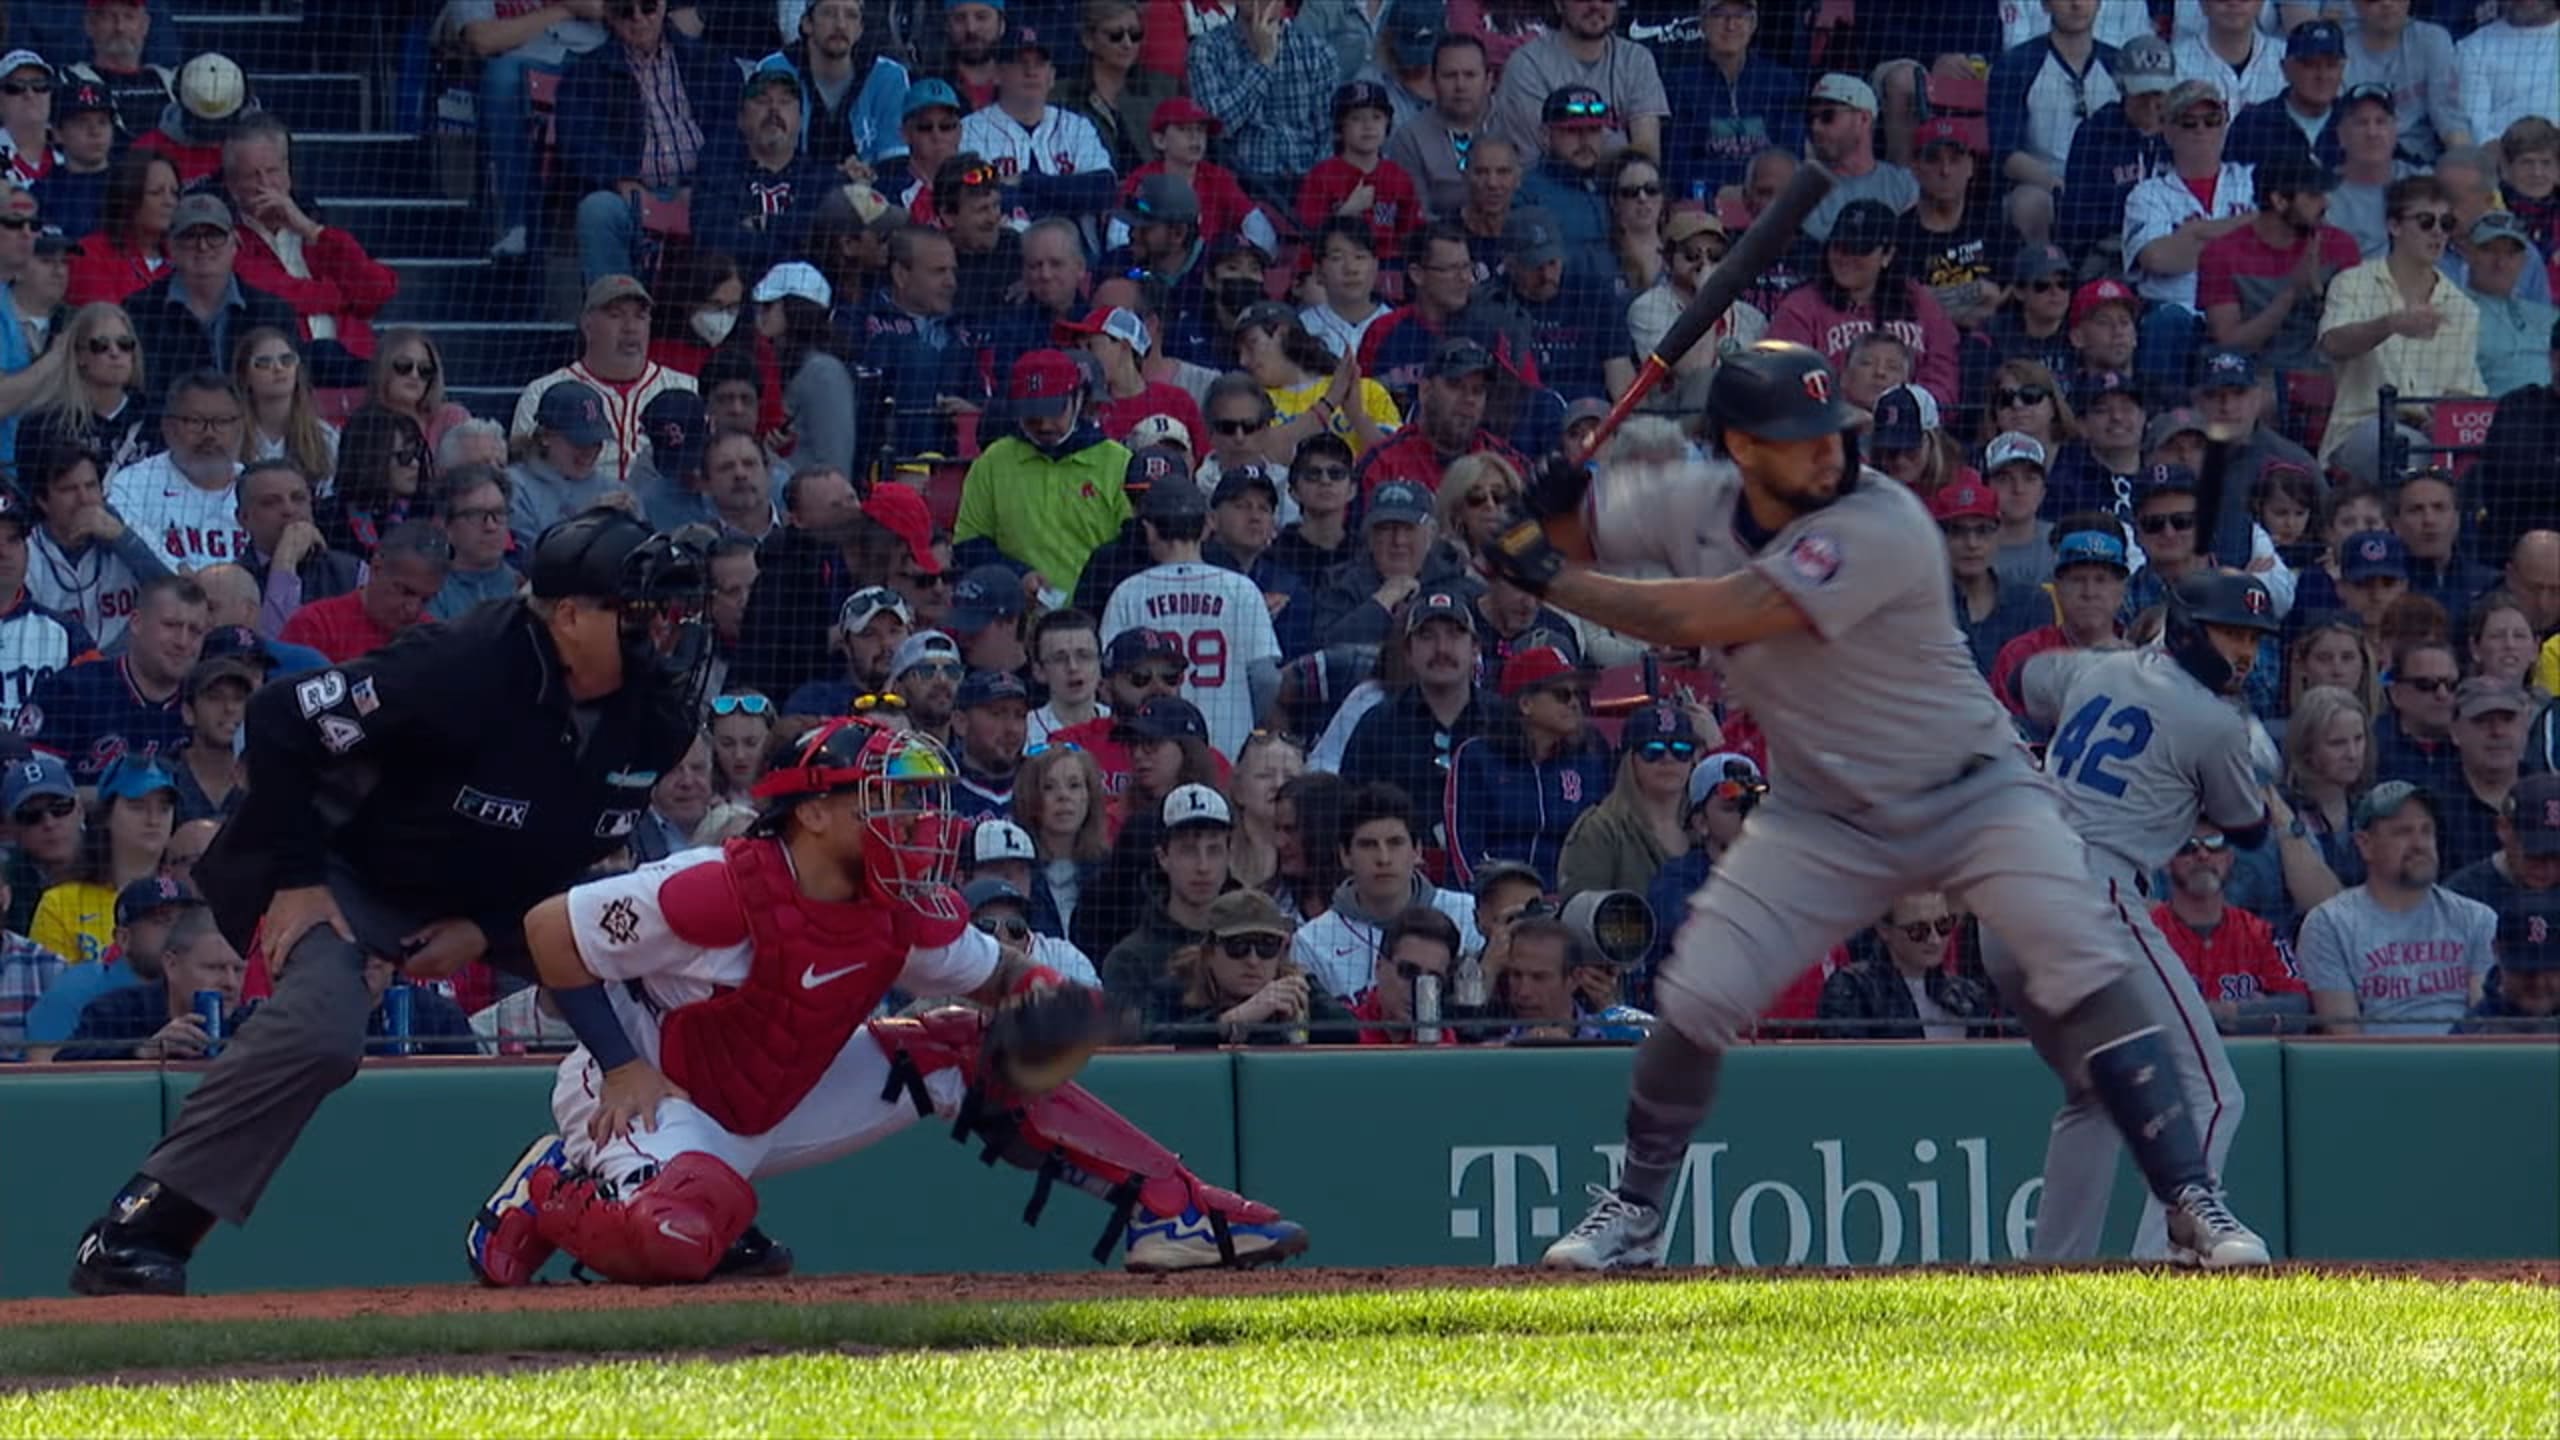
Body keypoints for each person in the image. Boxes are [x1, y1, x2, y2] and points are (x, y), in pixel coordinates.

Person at [1486, 339, 2268, 1272]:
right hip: (1821, 812)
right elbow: (1569, 531)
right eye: (1801, 436)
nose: (1830, 449)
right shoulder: (1688, 500)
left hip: (1972, 789)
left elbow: (1708, 615)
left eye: (1833, 429)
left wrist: (1550, 574)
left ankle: (2190, 1199)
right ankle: (1637, 1213)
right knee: (1698, 994)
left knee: (2081, 954)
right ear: (1740, 447)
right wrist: (1542, 515)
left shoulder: (1882, 519)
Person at [63, 512, 711, 1296]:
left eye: (672, 612)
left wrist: (484, 933)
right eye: (641, 613)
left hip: (498, 893)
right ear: (569, 616)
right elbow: (278, 718)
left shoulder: (658, 716)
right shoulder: (460, 664)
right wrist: (299, 879)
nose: (663, 632)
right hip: (348, 868)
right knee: (322, 1032)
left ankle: (684, 1194)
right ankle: (141, 1228)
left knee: (670, 972)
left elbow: (569, 859)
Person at [461, 719, 1303, 1288]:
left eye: (916, 799)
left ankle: (1173, 1210)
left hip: (779, 1095)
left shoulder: (902, 906)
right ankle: (548, 1188)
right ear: (814, 811)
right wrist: (620, 1067)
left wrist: (1054, 1000)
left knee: (969, 1048)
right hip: (654, 1091)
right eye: (886, 798)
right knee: (675, 1240)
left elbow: (996, 978)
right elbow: (548, 930)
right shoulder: (715, 889)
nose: (914, 819)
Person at [1991, 571, 2292, 1261]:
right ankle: (2166, 1261)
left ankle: (2055, 1275)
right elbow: (2248, 832)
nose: (2244, 652)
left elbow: (2019, 679)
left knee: (2096, 1096)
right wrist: (2238, 765)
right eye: (2230, 633)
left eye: (2253, 638)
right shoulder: (2216, 723)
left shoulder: (2098, 668)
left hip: (2008, 902)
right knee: (2212, 1093)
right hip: (2092, 896)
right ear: (2186, 628)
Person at [1099, 473, 1281, 761]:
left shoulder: (1129, 592)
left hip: (1151, 750)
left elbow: (1108, 681)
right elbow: (1266, 679)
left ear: (1149, 530)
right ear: (1207, 526)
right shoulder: (1242, 589)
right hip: (1229, 748)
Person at [2316, 175, 2486, 479]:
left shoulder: (2463, 308)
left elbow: (2469, 394)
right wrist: (2389, 324)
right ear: (2394, 226)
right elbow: (2333, 344)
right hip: (2363, 427)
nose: (2437, 232)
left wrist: (2446, 415)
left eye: (2446, 223)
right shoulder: (2353, 283)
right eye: (2425, 221)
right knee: (2408, 451)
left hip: (2435, 436)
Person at [2297, 780, 2497, 1036]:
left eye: (2426, 831)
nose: (2419, 843)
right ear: (2365, 844)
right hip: (2376, 1060)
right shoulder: (2329, 924)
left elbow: (2483, 1027)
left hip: (2463, 1056)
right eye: (2403, 832)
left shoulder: (2476, 918)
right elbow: (2345, 1040)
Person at [218, 115, 396, 389]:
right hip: (285, 377)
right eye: (253, 175)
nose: (265, 184)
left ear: (288, 172)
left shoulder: (320, 231)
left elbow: (376, 291)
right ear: (232, 186)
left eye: (273, 171)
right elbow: (278, 298)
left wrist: (311, 230)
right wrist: (344, 295)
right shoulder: (227, 242)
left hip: (358, 370)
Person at [953, 349, 1132, 599]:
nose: (1045, 425)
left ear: (1078, 398)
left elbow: (1132, 549)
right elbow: (968, 545)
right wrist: (1018, 575)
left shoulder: (1118, 463)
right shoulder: (993, 462)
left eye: (1054, 411)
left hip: (1096, 612)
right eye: (1033, 415)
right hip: (1015, 613)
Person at [1288, 781, 1478, 1000]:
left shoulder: (1466, 914)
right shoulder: (1312, 941)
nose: (1383, 858)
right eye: (1368, 845)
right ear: (1345, 856)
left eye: (1395, 843)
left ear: (1417, 851)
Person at [1444, 644, 1611, 889]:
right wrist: (1487, 897)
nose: (1575, 704)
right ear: (1525, 704)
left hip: (1566, 899)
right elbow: (1464, 845)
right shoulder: (1477, 757)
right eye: (1562, 695)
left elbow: (1599, 846)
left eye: (1578, 694)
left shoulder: (1588, 762)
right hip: (1491, 897)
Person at [1339, 581, 1496, 840]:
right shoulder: (1377, 725)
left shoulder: (1504, 723)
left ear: (1475, 649)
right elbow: (1351, 814)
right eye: (1427, 636)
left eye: (1454, 634)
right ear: (1408, 652)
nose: (1442, 648)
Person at [1767, 199, 1959, 409]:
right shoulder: (1801, 307)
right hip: (1830, 423)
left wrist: (1909, 408)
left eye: (1860, 250)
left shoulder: (1920, 302)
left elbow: (1944, 380)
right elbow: (1786, 380)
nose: (1847, 258)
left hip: (1910, 423)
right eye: (1840, 247)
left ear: (1887, 255)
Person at [511, 275, 698, 487]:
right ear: (587, 326)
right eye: (615, 315)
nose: (630, 327)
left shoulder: (686, 388)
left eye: (640, 316)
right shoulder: (541, 393)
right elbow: (522, 477)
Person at [21, 572, 205, 784]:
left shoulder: (207, 701)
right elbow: (34, 788)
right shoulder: (70, 691)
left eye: (195, 631)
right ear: (136, 623)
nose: (183, 642)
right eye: (171, 625)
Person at [2154, 822, 2312, 1035]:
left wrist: (2230, 1013)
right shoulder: (2146, 933)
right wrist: (2251, 1015)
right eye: (2187, 846)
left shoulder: (2260, 933)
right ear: (2166, 862)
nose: (2202, 855)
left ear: (2229, 858)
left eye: (2215, 844)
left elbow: (2297, 1009)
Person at [1186, 0, 1334, 200]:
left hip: (1304, 187)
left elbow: (1327, 137)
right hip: (1237, 189)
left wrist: (1317, 194)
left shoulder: (1317, 53)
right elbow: (1217, 127)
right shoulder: (1207, 50)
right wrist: (1264, 62)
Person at [1557, 701, 1696, 898]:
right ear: (1629, 760)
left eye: (1681, 749)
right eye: (1653, 750)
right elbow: (1582, 911)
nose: (1668, 759)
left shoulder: (1706, 826)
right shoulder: (1600, 830)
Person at [1815, 893, 1995, 1039]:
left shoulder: (1970, 997)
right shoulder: (1853, 989)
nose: (1935, 940)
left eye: (1943, 925)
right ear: (1884, 930)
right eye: (1918, 930)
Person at [279, 521, 453, 665]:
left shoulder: (430, 638)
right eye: (405, 592)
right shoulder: (315, 626)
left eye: (425, 599)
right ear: (376, 568)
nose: (413, 609)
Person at [1933, 478, 2050, 677]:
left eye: (1983, 531)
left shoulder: (2032, 602)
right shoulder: (1925, 606)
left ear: (1998, 535)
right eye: (1957, 531)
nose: (1972, 544)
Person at [168, 654, 253, 823]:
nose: (230, 708)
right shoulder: (163, 776)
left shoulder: (264, 779)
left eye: (239, 699)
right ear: (188, 713)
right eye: (215, 698)